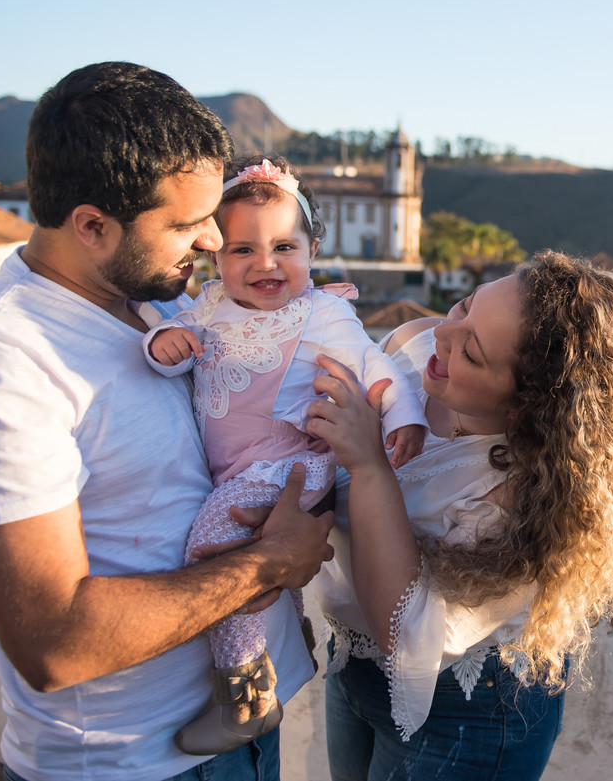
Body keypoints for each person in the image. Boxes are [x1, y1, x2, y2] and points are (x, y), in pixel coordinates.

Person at [0, 62, 334, 781]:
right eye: (187, 223)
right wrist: (270, 564)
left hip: (245, 722)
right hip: (133, 763)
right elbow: (53, 642)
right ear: (93, 225)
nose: (210, 241)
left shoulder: (159, 303)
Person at [304, 251, 613, 781]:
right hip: (352, 666)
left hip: (467, 713)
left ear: (524, 408)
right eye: (462, 307)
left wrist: (370, 466)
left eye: (471, 353)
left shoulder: (530, 493)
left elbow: (409, 638)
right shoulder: (410, 350)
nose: (443, 336)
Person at [143, 154, 426, 754]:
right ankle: (287, 638)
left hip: (288, 465)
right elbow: (170, 339)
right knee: (262, 555)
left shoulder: (322, 312)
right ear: (215, 254)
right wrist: (161, 344)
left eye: (283, 247)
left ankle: (244, 697)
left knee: (215, 544)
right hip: (236, 469)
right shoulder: (210, 305)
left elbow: (375, 366)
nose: (265, 264)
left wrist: (405, 415)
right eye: (242, 250)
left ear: (312, 247)